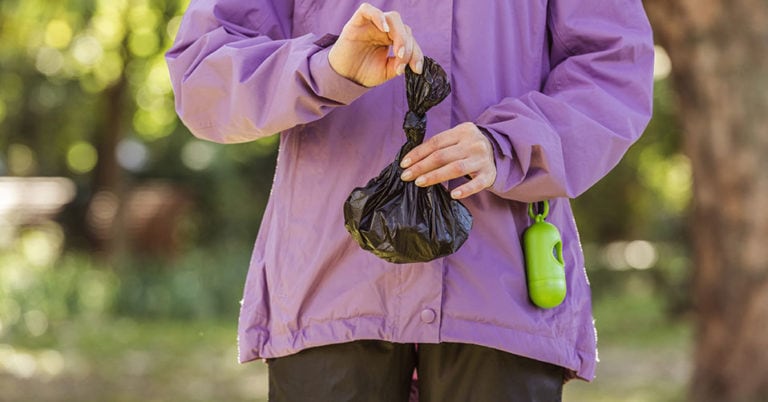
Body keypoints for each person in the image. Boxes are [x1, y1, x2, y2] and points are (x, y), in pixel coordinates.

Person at [167, 1, 654, 400]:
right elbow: (202, 72)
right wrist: (327, 68)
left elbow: (613, 69)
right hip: (332, 291)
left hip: (499, 291)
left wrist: (509, 143)